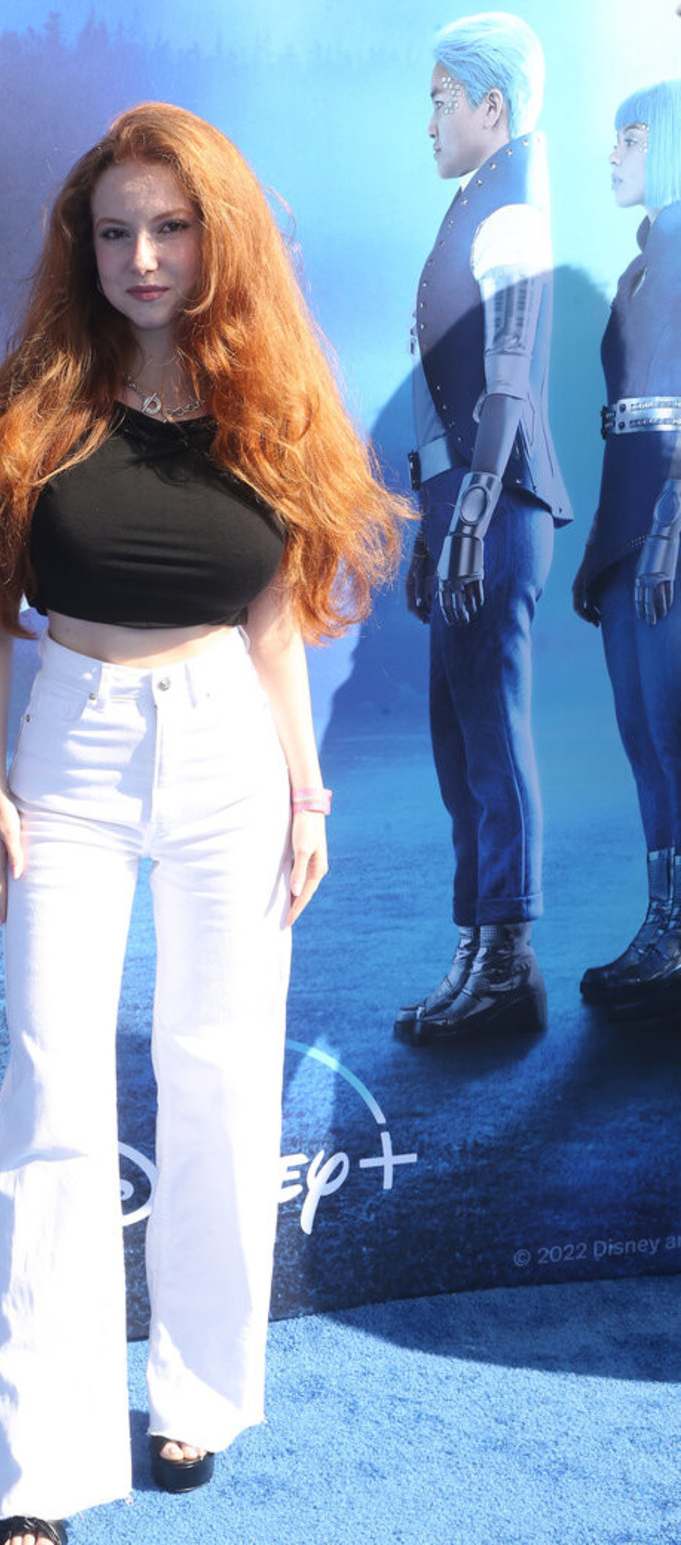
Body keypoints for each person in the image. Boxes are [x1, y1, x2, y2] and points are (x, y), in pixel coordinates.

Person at [0, 102, 404, 1545]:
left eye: (170, 227)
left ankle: (196, 1396)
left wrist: (308, 792)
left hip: (229, 748)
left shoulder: (269, 407)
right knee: (50, 1087)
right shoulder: (40, 397)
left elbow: (274, 630)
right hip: (71, 744)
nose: (142, 257)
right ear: (81, 247)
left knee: (221, 1072)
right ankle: (37, 1473)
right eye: (115, 232)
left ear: (221, 238)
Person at [398, 12, 570, 1045]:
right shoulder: (479, 203)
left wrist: (469, 507)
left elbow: (509, 375)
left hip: (494, 502)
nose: (429, 121)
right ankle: (479, 948)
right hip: (467, 500)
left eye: (441, 100)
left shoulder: (510, 209)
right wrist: (438, 517)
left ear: (490, 105)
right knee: (459, 735)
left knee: (490, 734)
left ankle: (508, 962)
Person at [572, 79, 681, 1023]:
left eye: (632, 137)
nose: (614, 155)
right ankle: (665, 923)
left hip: (669, 523)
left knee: (672, 732)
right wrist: (606, 543)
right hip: (629, 520)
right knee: (644, 737)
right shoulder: (642, 263)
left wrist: (671, 527)